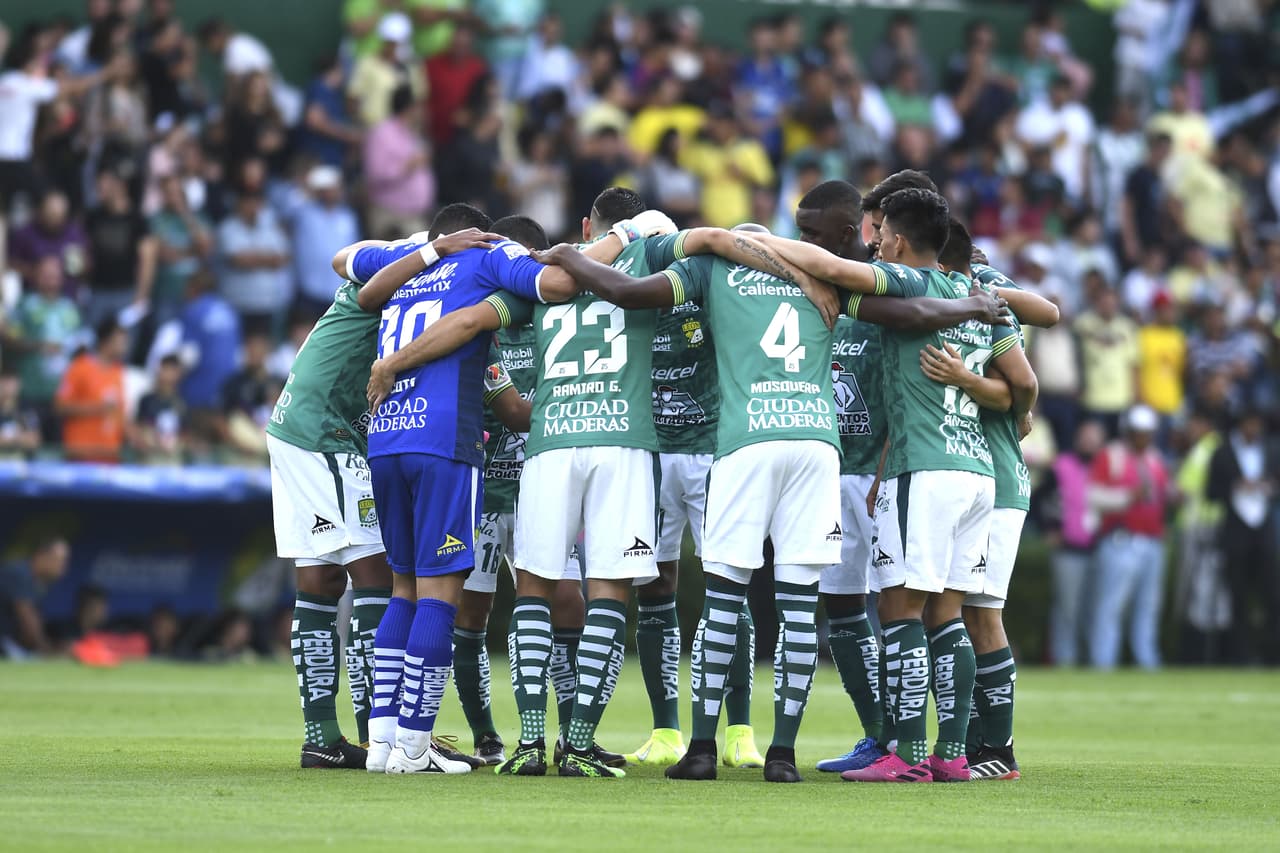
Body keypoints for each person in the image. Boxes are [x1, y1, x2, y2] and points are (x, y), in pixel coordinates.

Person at [345, 203, 622, 776]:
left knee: (404, 589)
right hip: (444, 439)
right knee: (441, 596)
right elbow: (560, 281)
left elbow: (344, 259)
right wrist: (618, 238)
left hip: (387, 434)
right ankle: (416, 748)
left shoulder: (410, 260)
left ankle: (382, 744)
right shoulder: (492, 256)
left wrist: (427, 246)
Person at [928, 219, 1042, 782]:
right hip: (974, 475)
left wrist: (1018, 408)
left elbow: (1024, 380)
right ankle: (973, 744)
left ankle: (999, 750)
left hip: (996, 480)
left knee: (982, 612)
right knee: (957, 610)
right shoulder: (962, 301)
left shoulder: (985, 302)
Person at [1088, 405, 1171, 669]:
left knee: (1148, 606)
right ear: (1128, 432)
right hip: (1120, 540)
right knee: (1111, 606)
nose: (1143, 438)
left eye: (1147, 433)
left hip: (1152, 541)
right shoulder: (1111, 455)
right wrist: (1127, 497)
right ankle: (1104, 661)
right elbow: (1092, 496)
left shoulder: (1156, 459)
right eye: (1138, 433)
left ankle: (1147, 660)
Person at [1207, 409, 1279, 664]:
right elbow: (1211, 491)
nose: (1254, 430)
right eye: (1249, 424)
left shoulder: (1271, 449)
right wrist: (1236, 487)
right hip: (1235, 532)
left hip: (1264, 532)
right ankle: (1238, 656)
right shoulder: (1223, 451)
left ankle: (1272, 656)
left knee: (1272, 594)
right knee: (1237, 596)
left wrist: (1267, 487)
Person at [1038, 419, 1106, 666]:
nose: (1089, 442)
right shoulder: (1061, 465)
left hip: (1101, 547)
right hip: (1069, 548)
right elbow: (1043, 498)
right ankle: (1066, 659)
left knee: (1095, 610)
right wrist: (1049, 529)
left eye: (1094, 438)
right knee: (1067, 608)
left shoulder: (1105, 467)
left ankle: (1093, 660)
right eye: (1085, 437)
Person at [215, 189, 290, 336]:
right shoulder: (227, 228)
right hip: (236, 304)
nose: (253, 207)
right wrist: (267, 258)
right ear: (239, 205)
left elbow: (282, 259)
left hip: (267, 302)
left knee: (265, 350)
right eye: (248, 203)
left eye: (256, 203)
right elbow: (238, 260)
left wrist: (252, 256)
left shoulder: (271, 228)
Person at [288, 166, 360, 318]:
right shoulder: (304, 212)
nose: (330, 193)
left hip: (339, 288)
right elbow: (288, 207)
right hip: (308, 288)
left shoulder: (347, 217)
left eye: (333, 188)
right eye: (325, 189)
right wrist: (309, 188)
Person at [363, 84, 434, 238]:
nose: (424, 111)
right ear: (410, 108)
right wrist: (407, 166)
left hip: (416, 216)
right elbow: (375, 174)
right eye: (420, 107)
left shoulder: (415, 133)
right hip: (390, 216)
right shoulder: (382, 133)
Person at [54, 318, 128, 463]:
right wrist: (97, 408)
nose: (125, 346)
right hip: (81, 457)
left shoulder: (118, 371)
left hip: (110, 458)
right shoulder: (79, 367)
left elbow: (119, 413)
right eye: (121, 341)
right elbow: (59, 407)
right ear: (106, 340)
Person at [0, 538, 70, 658]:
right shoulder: (20, 573)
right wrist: (47, 650)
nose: (63, 566)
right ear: (41, 556)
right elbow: (27, 619)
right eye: (60, 560)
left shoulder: (38, 581)